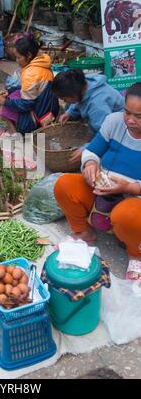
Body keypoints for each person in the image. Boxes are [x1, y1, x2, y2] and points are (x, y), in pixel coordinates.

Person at [54, 83, 141, 282]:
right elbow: (93, 150)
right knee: (64, 185)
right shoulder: (114, 121)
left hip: (135, 196)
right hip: (103, 187)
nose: (130, 120)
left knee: (126, 215)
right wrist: (90, 164)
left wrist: (128, 187)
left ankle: (136, 254)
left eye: (139, 116)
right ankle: (84, 233)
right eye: (127, 112)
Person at [52, 69, 125, 164]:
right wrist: (69, 113)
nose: (64, 101)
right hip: (102, 121)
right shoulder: (83, 84)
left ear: (74, 94)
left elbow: (106, 134)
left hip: (120, 129)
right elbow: (80, 101)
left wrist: (87, 148)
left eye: (65, 98)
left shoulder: (97, 105)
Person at [0, 35, 59, 136]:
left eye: (19, 57)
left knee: (1, 105)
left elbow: (26, 104)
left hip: (40, 117)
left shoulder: (31, 73)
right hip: (49, 110)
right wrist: (9, 91)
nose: (17, 60)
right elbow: (34, 89)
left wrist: (5, 102)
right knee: (13, 92)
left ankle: (14, 132)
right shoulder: (42, 62)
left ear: (28, 55)